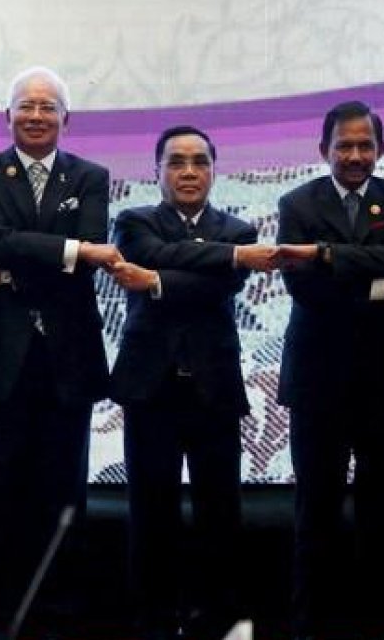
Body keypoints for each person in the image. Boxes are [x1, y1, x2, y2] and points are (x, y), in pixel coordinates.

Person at [0, 67, 119, 638]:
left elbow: (84, 259)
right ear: (8, 116)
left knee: (63, 491)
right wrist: (69, 250)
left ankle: (60, 614)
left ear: (66, 119)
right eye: (26, 106)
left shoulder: (90, 176)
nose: (36, 116)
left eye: (48, 107)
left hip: (68, 355)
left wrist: (6, 276)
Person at [107, 125, 278, 640]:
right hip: (149, 389)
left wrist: (156, 279)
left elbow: (209, 283)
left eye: (199, 162)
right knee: (149, 511)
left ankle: (215, 620)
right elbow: (174, 262)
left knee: (218, 512)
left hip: (214, 388)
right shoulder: (132, 222)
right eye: (176, 162)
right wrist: (222, 260)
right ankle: (152, 620)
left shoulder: (239, 229)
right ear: (157, 170)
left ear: (213, 169)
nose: (188, 171)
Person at [276, 100, 384, 639]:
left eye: (366, 146)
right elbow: (304, 289)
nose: (356, 155)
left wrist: (323, 253)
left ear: (382, 150)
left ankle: (379, 624)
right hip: (318, 380)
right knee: (314, 510)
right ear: (324, 150)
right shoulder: (294, 202)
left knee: (380, 509)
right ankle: (309, 626)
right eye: (345, 146)